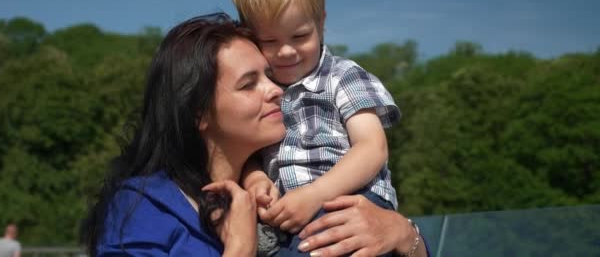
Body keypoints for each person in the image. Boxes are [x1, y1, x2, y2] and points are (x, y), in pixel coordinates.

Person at [81, 13, 428, 257]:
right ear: (198, 113)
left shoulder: (283, 192)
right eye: (249, 84)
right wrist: (241, 249)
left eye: (269, 76)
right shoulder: (142, 206)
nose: (277, 90)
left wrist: (401, 235)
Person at [231, 0, 417, 256]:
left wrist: (314, 195)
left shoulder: (343, 76)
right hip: (289, 217)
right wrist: (255, 178)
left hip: (349, 200)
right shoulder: (262, 91)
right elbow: (248, 153)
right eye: (269, 41)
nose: (287, 51)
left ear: (321, 22)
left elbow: (373, 148)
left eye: (300, 36)